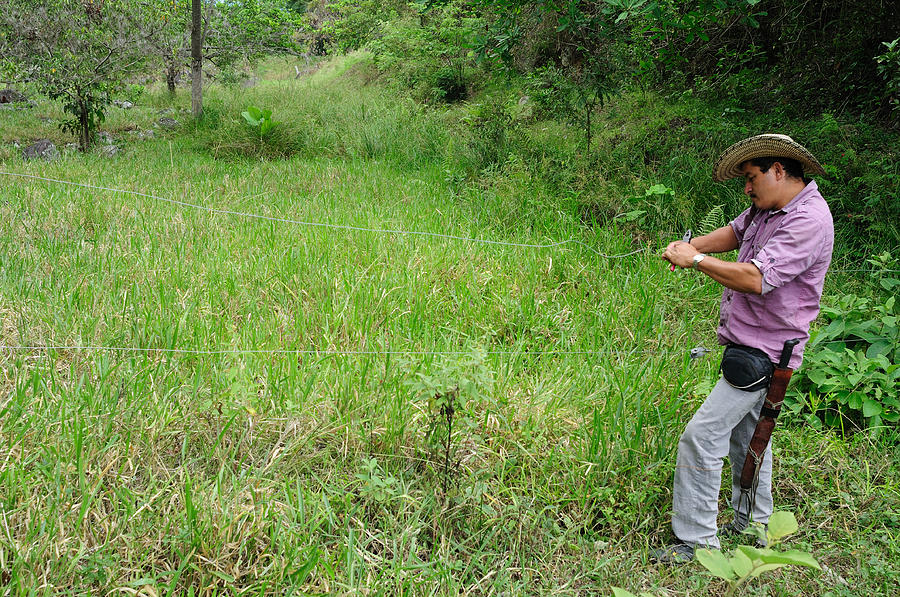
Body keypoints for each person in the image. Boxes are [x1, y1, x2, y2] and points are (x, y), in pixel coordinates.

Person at [653, 134, 834, 563]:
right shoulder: (765, 209)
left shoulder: (808, 220)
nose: (747, 189)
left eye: (752, 178)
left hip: (769, 350)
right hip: (746, 342)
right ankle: (754, 523)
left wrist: (694, 262)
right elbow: (735, 233)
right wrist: (694, 246)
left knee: (701, 437)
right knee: (752, 436)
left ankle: (697, 542)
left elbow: (756, 279)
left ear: (779, 170)